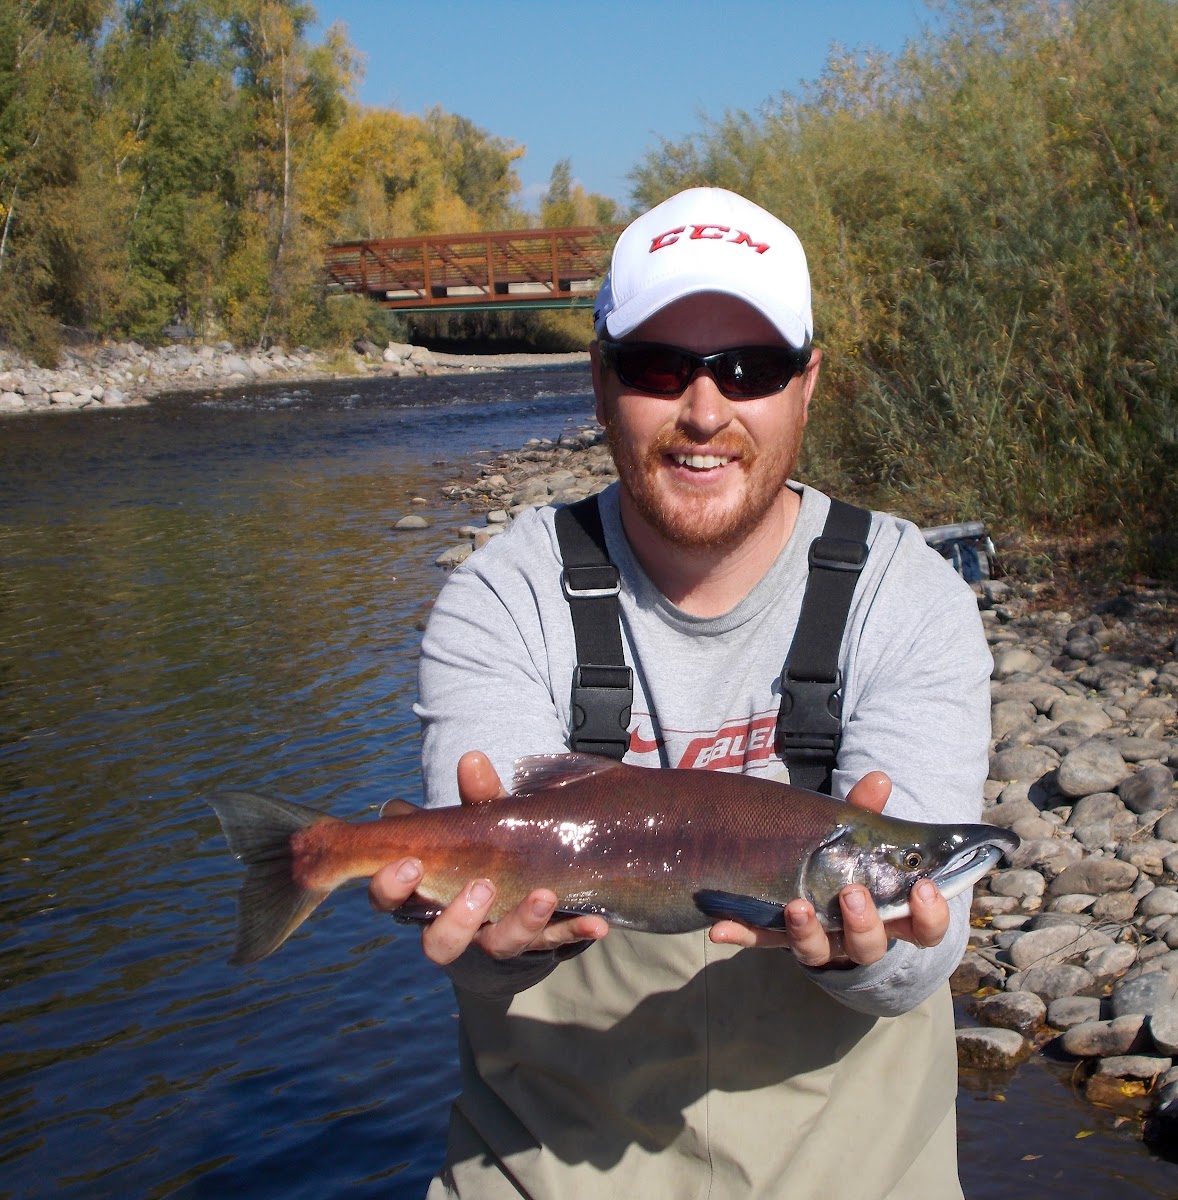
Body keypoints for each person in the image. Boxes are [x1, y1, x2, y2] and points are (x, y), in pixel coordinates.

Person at [369, 187, 992, 1199]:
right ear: (599, 378)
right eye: (662, 368)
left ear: (807, 383)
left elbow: (924, 965)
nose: (706, 411)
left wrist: (866, 956)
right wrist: (491, 950)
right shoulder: (503, 596)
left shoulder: (904, 592)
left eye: (748, 368)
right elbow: (475, 935)